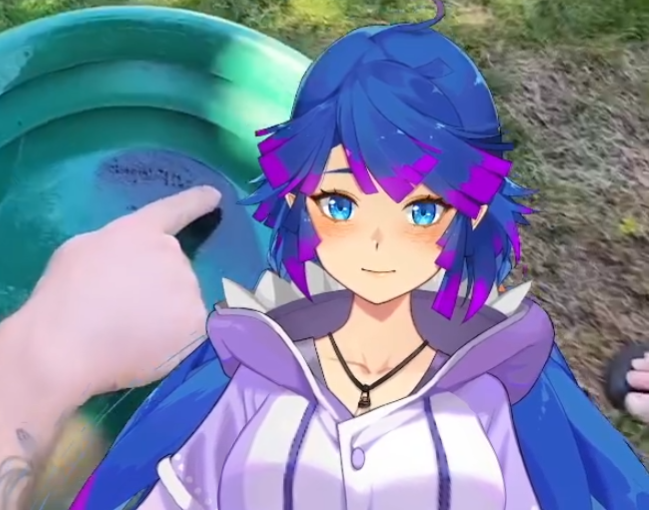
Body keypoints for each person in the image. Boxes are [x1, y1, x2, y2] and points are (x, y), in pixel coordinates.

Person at [1, 3, 648, 510]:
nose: (376, 243)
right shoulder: (246, 375)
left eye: (423, 211)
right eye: (338, 204)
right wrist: (45, 363)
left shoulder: (505, 385)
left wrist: (44, 361)